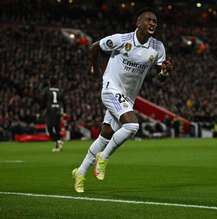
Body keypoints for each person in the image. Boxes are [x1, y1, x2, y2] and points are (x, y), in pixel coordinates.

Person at [72, 8, 173, 193]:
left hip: (128, 97)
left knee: (105, 135)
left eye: (155, 21)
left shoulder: (158, 47)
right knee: (132, 126)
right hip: (111, 89)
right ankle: (104, 157)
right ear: (138, 22)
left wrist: (165, 72)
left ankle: (80, 172)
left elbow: (161, 77)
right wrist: (95, 69)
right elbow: (94, 46)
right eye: (148, 20)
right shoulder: (121, 40)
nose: (152, 24)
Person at [44, 78, 64, 152]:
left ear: (50, 83)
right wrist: (64, 111)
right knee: (56, 128)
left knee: (49, 128)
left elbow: (43, 100)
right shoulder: (60, 91)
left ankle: (58, 141)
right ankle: (58, 144)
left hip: (50, 111)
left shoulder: (47, 91)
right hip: (58, 111)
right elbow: (64, 101)